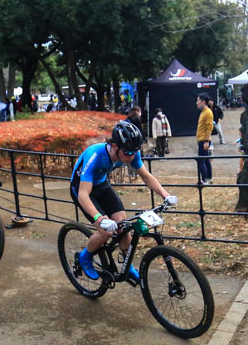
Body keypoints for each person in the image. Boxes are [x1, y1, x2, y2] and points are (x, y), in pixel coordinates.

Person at [69, 121, 175, 282]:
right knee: (106, 231)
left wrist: (165, 195)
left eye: (135, 152)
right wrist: (100, 218)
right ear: (114, 146)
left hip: (102, 185)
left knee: (124, 227)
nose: (131, 157)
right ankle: (85, 257)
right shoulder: (95, 154)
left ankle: (128, 268)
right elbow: (83, 194)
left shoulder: (130, 153)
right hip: (82, 189)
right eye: (127, 152)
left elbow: (146, 176)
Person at [195, 93, 213, 184]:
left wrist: (206, 141)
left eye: (198, 100)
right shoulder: (203, 112)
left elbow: (209, 127)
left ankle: (204, 179)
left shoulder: (208, 113)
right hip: (202, 139)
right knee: (206, 159)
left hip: (204, 140)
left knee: (201, 160)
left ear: (203, 102)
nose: (196, 103)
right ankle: (209, 178)